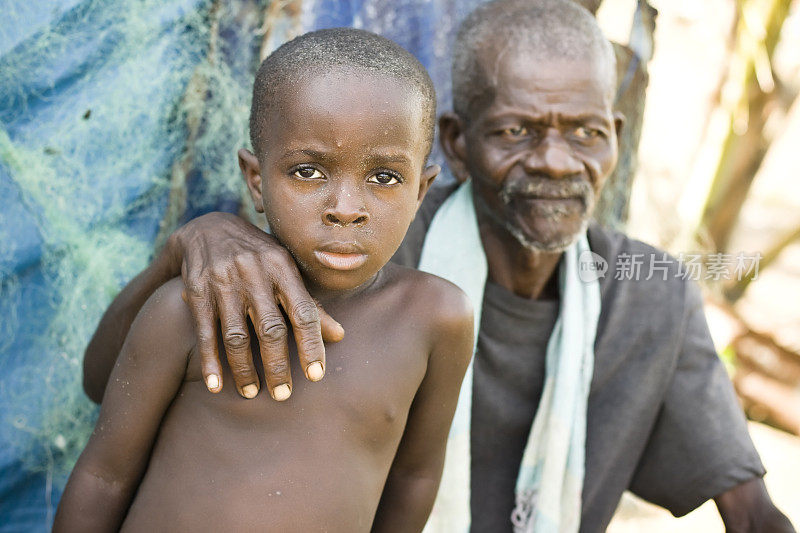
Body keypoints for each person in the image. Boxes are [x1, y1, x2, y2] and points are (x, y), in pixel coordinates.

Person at [84, 1, 796, 532]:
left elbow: (749, 507)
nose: (555, 161)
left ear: (615, 138)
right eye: (517, 131)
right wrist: (193, 241)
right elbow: (108, 410)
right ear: (456, 145)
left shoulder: (638, 293)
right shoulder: (322, 258)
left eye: (585, 132)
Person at [56, 28, 473, 532]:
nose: (345, 209)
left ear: (421, 189)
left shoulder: (437, 318)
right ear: (256, 180)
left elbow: (414, 477)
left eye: (384, 177)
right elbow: (103, 477)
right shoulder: (191, 308)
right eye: (307, 172)